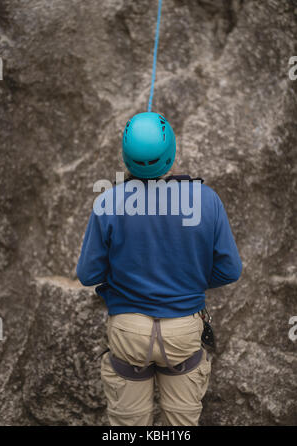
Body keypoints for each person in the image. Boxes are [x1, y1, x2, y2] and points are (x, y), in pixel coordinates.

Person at [76, 112, 242, 426]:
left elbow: (88, 274)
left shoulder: (108, 203)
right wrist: (191, 281)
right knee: (180, 425)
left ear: (126, 157)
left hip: (129, 331)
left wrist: (120, 283)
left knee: (128, 427)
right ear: (172, 151)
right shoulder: (206, 200)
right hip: (183, 330)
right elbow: (230, 269)